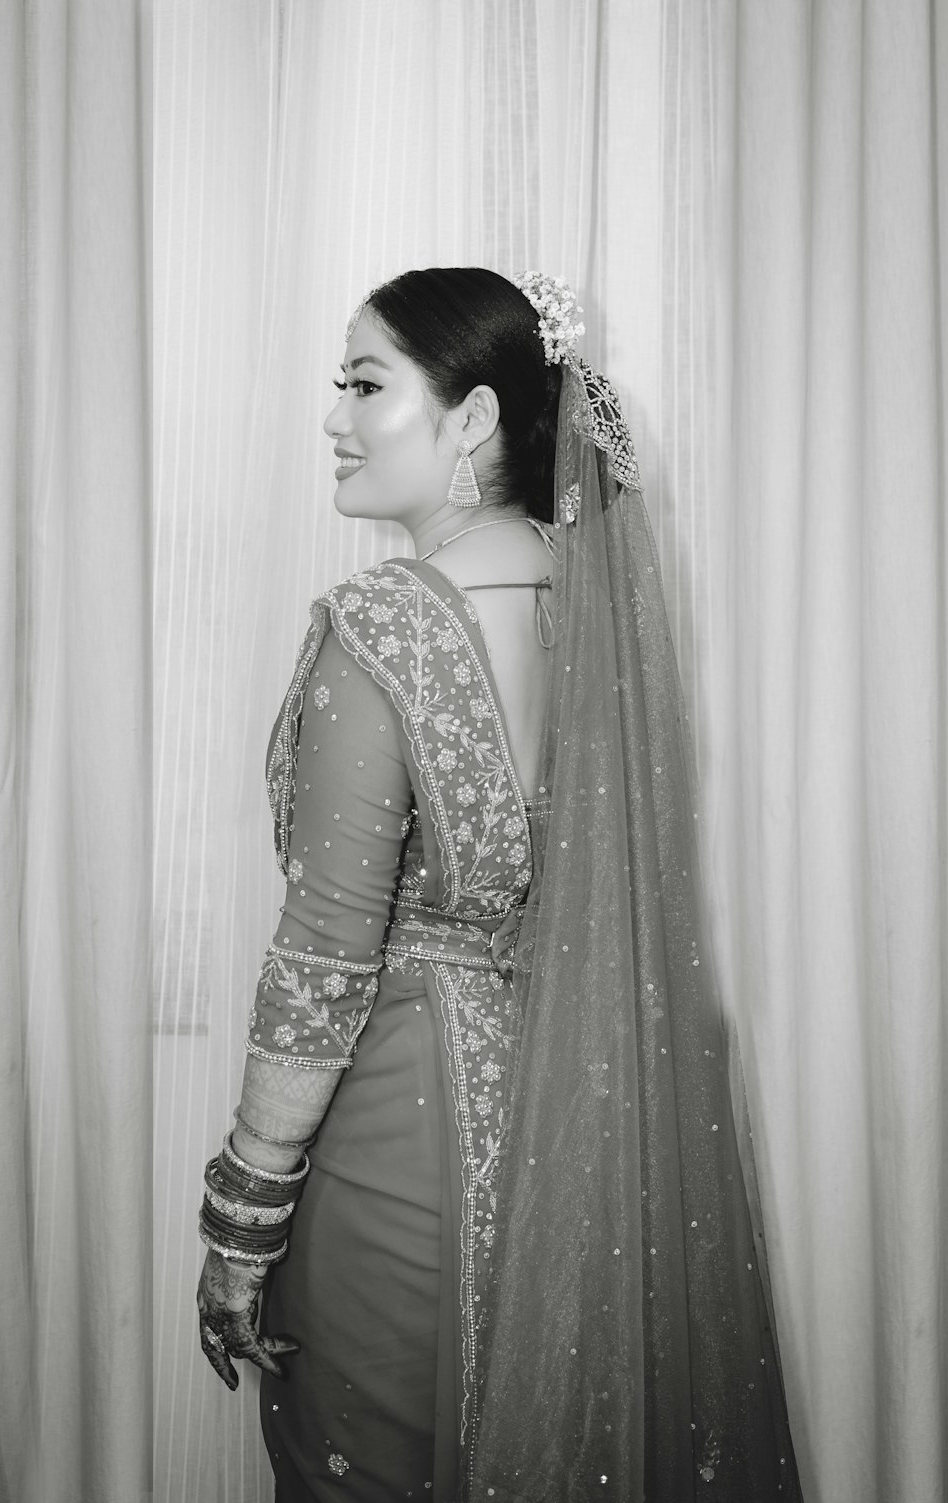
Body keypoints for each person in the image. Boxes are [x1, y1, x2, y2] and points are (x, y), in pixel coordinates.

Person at [195, 267, 804, 1502]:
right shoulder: (601, 613)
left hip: (403, 1148)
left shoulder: (386, 625)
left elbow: (322, 959)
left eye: (365, 384)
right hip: (587, 1138)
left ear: (471, 419)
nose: (335, 418)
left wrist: (241, 1220)